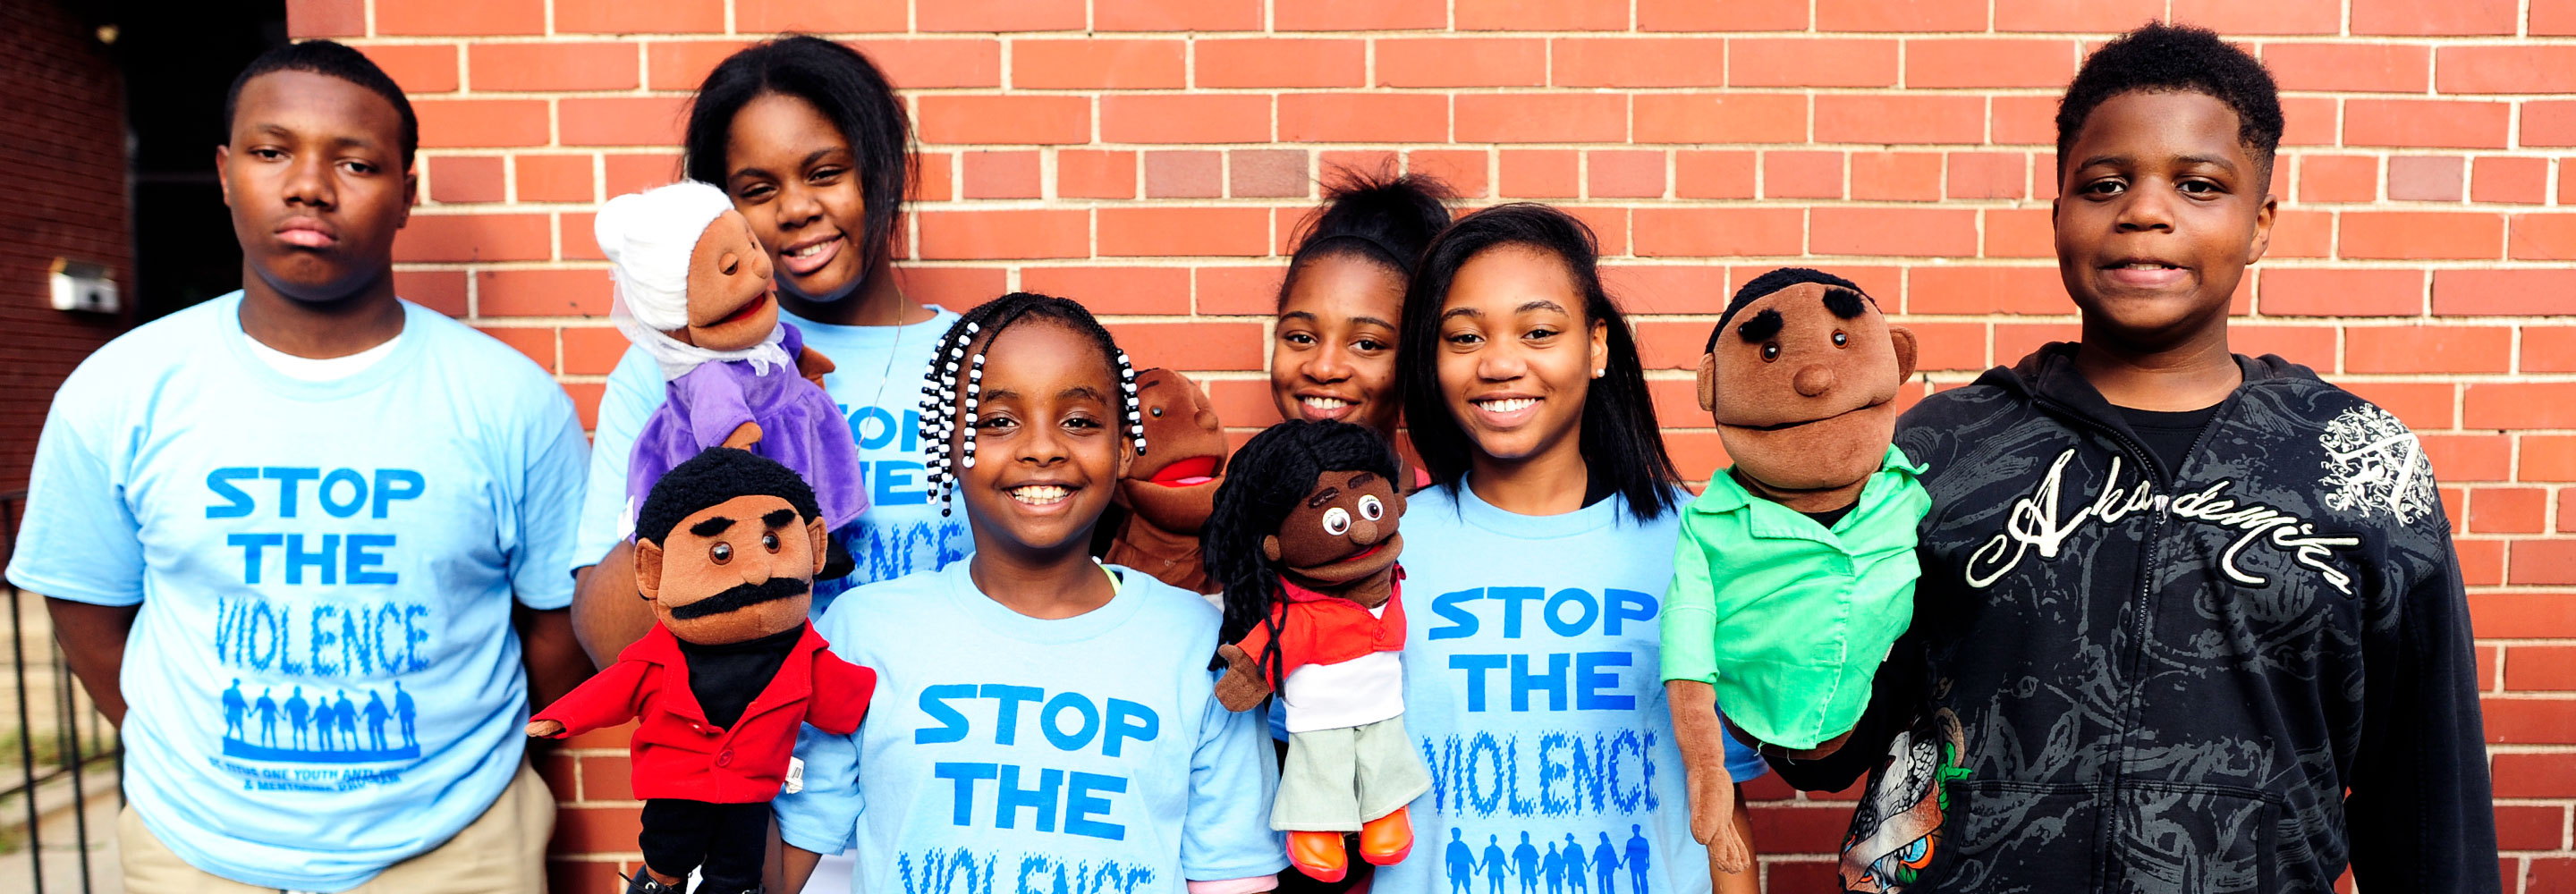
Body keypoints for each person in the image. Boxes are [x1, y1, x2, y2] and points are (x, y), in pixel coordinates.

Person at [1771, 23, 2500, 893]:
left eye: (2198, 185)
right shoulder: (1937, 450)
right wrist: (1790, 546)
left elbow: (2426, 791)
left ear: (2260, 223)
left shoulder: (2358, 464)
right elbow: (1821, 745)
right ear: (2057, 214)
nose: (2144, 211)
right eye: (2104, 183)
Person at [4, 38, 586, 893]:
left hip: (459, 848)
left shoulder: (511, 401)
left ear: (406, 198)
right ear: (225, 170)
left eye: (355, 161)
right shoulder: (120, 389)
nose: (309, 184)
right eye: (272, 151)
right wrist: (180, 743)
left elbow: (558, 626)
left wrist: (456, 745)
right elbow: (86, 600)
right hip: (192, 852)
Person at [771, 293, 1284, 893]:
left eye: (1078, 421)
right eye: (998, 422)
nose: (1042, 448)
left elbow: (1231, 877)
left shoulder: (1198, 642)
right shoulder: (863, 631)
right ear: (948, 446)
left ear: (1123, 447)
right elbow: (776, 872)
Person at [1380, 204, 1764, 894]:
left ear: (1596, 347)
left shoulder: (1696, 541)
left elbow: (1721, 798)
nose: (1499, 363)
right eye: (1464, 337)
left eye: (1537, 331)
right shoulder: (1387, 550)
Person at [572, 36, 956, 666]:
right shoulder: (667, 370)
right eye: (756, 190)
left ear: (881, 169)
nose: (798, 209)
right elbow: (607, 642)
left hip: (937, 750)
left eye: (826, 173)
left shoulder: (983, 355)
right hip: (761, 757)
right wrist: (698, 466)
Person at [1267, 169, 1453, 474]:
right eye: (1301, 338)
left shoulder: (1440, 518)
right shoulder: (1231, 512)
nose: (1323, 368)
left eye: (1367, 344)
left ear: (1418, 356)